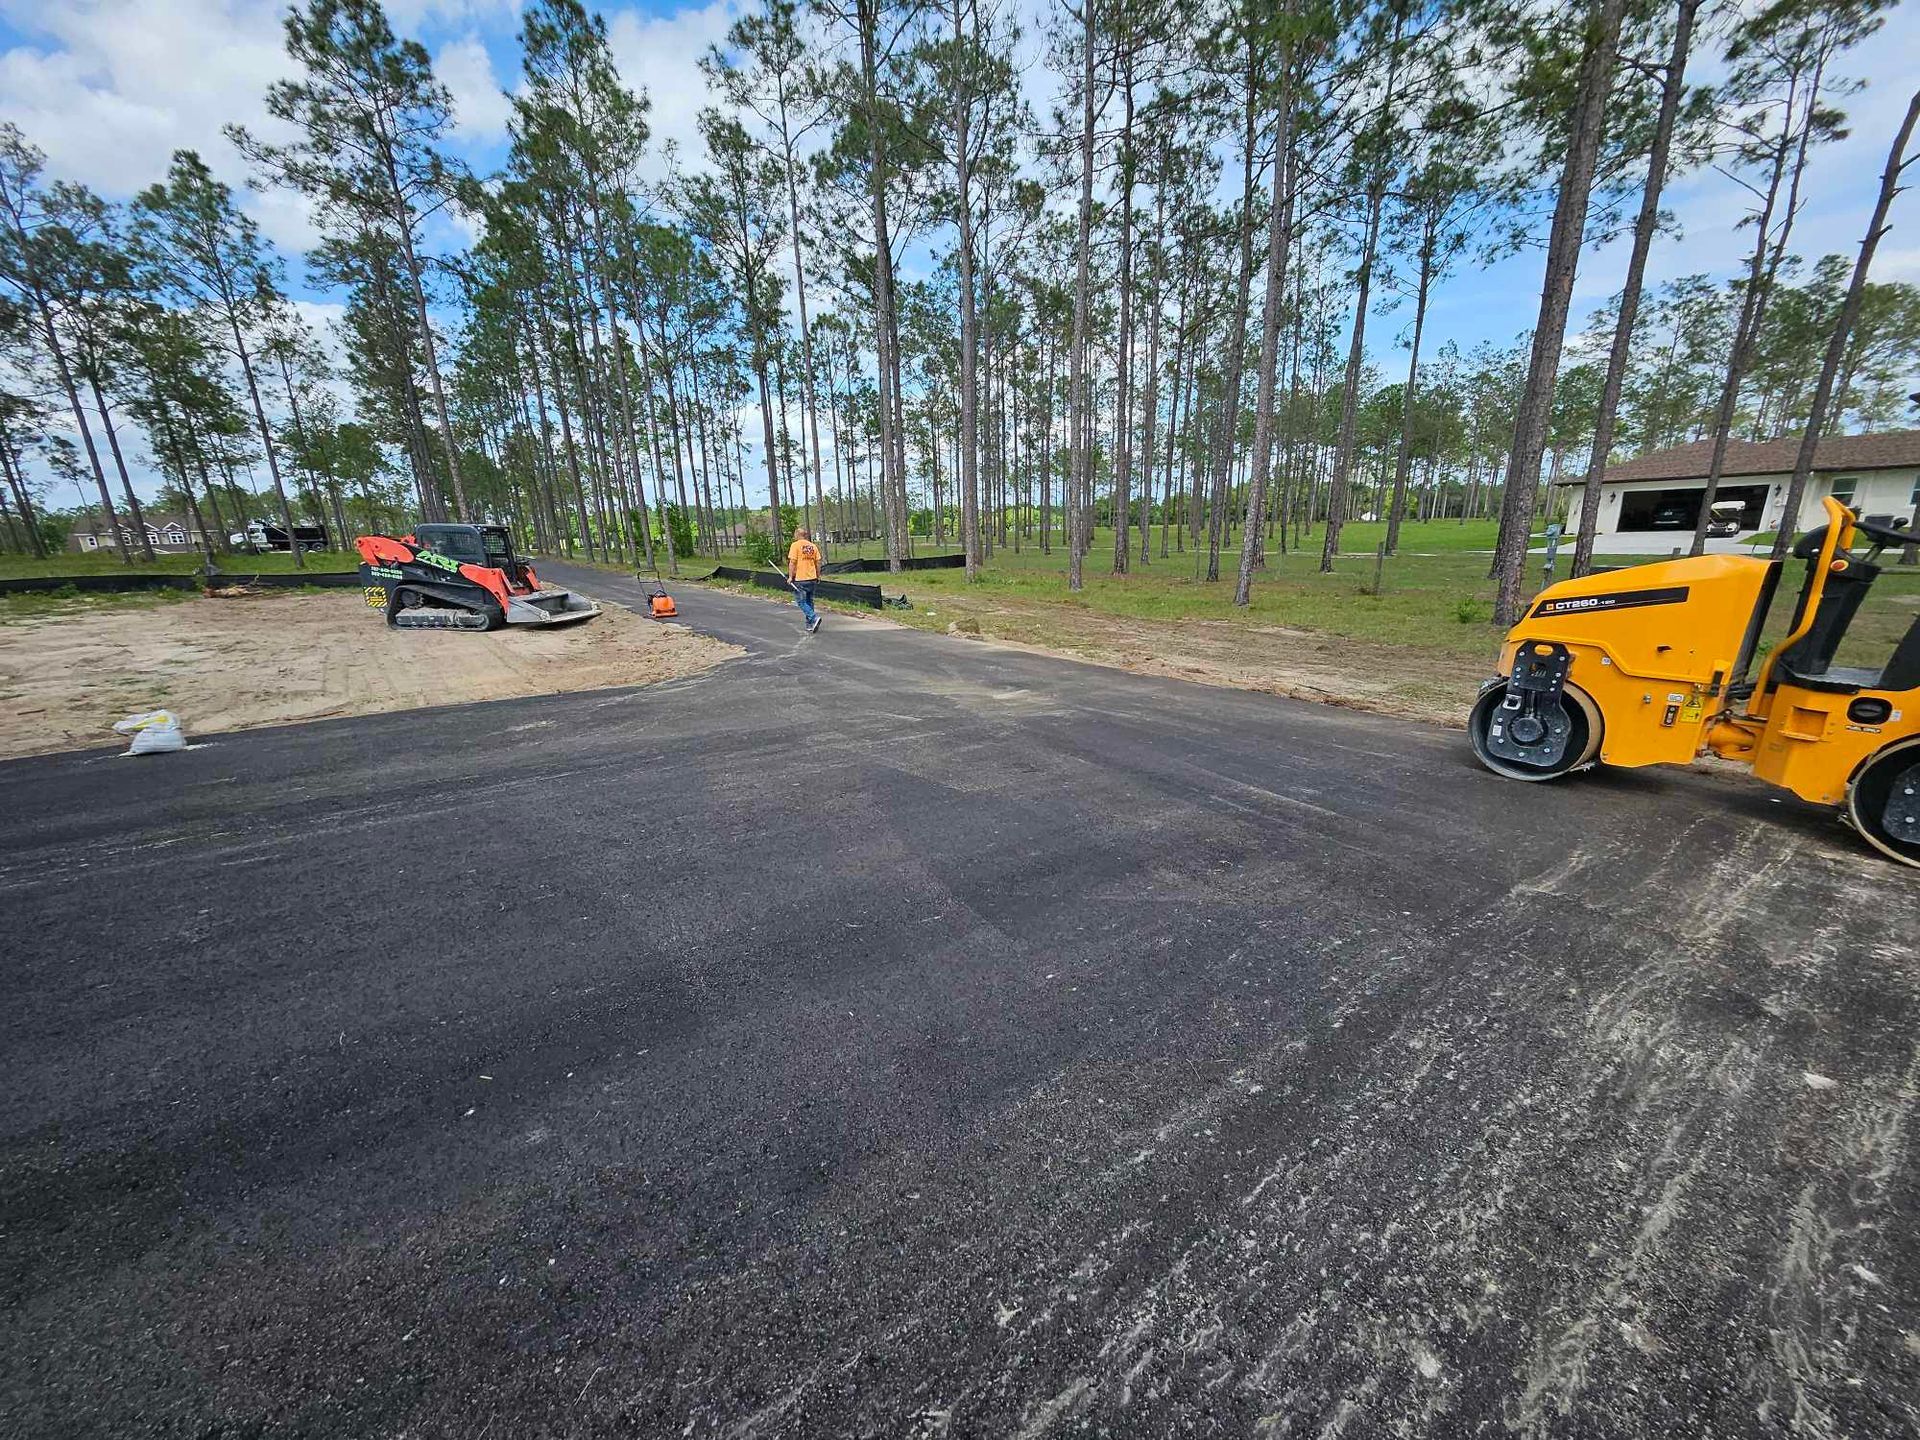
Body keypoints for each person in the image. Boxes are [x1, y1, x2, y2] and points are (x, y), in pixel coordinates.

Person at [786, 527, 822, 633]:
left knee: (801, 601)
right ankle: (810, 625)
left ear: (797, 535)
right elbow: (818, 562)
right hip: (812, 578)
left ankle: (814, 618)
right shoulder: (813, 546)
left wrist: (790, 577)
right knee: (809, 601)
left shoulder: (795, 545)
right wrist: (818, 575)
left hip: (801, 579)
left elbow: (792, 562)